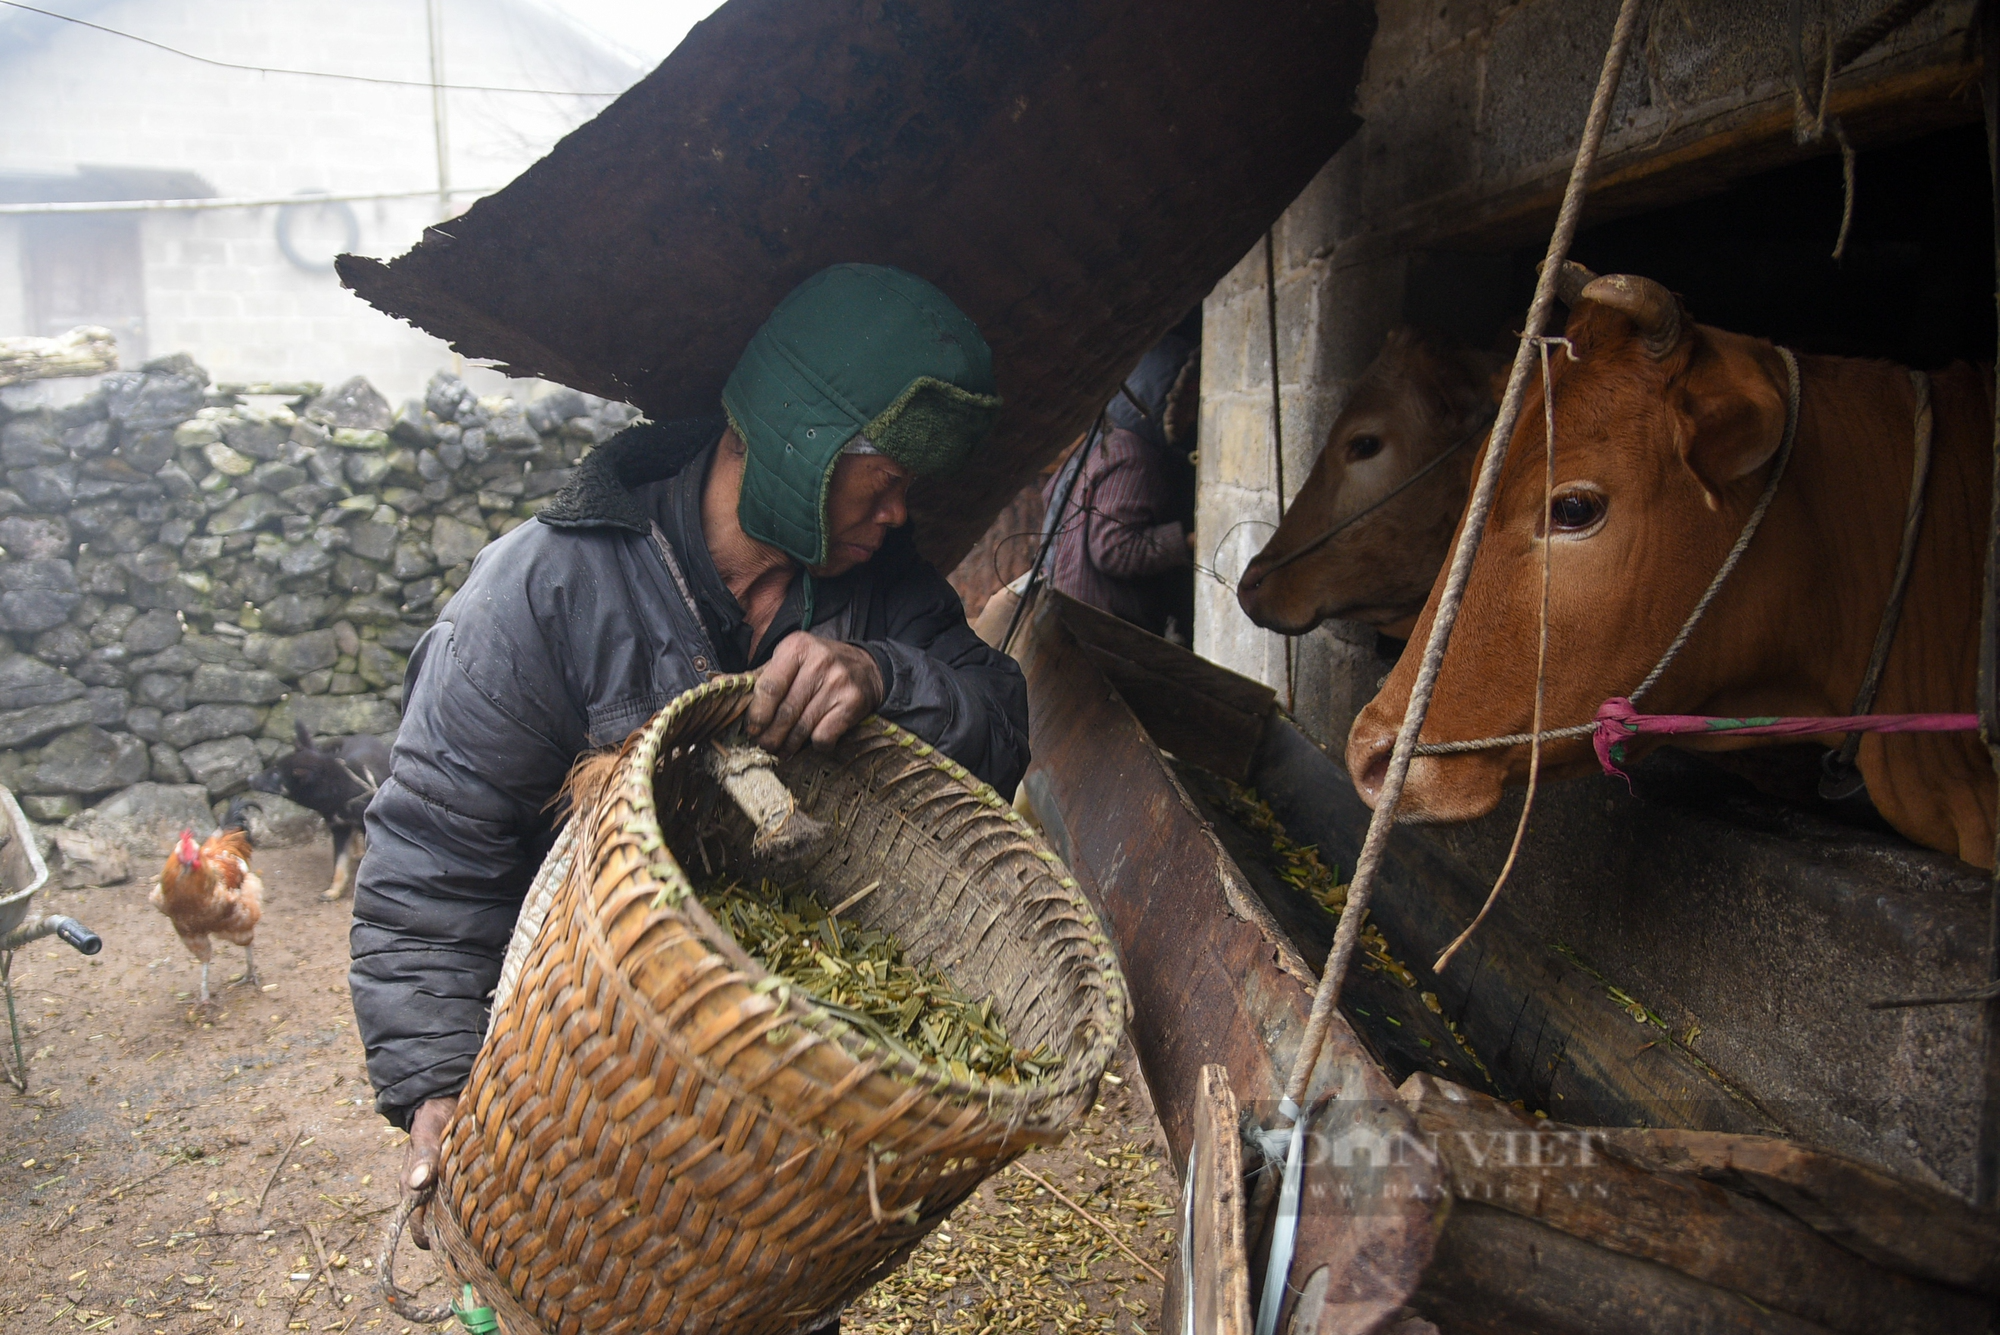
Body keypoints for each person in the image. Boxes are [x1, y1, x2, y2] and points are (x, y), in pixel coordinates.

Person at [349, 264, 1030, 1244]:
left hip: (777, 1122)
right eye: (885, 486)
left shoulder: (886, 596)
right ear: (802, 445)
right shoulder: (543, 594)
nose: (898, 519)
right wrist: (438, 1091)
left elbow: (1000, 727)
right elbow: (428, 868)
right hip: (576, 1073)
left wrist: (886, 678)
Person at [1035, 334, 1199, 641]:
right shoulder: (1134, 455)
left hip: (1072, 608)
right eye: (1187, 398)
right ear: (1162, 398)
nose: (1192, 414)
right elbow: (1114, 549)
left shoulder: (1101, 440)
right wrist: (1189, 539)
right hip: (1099, 624)